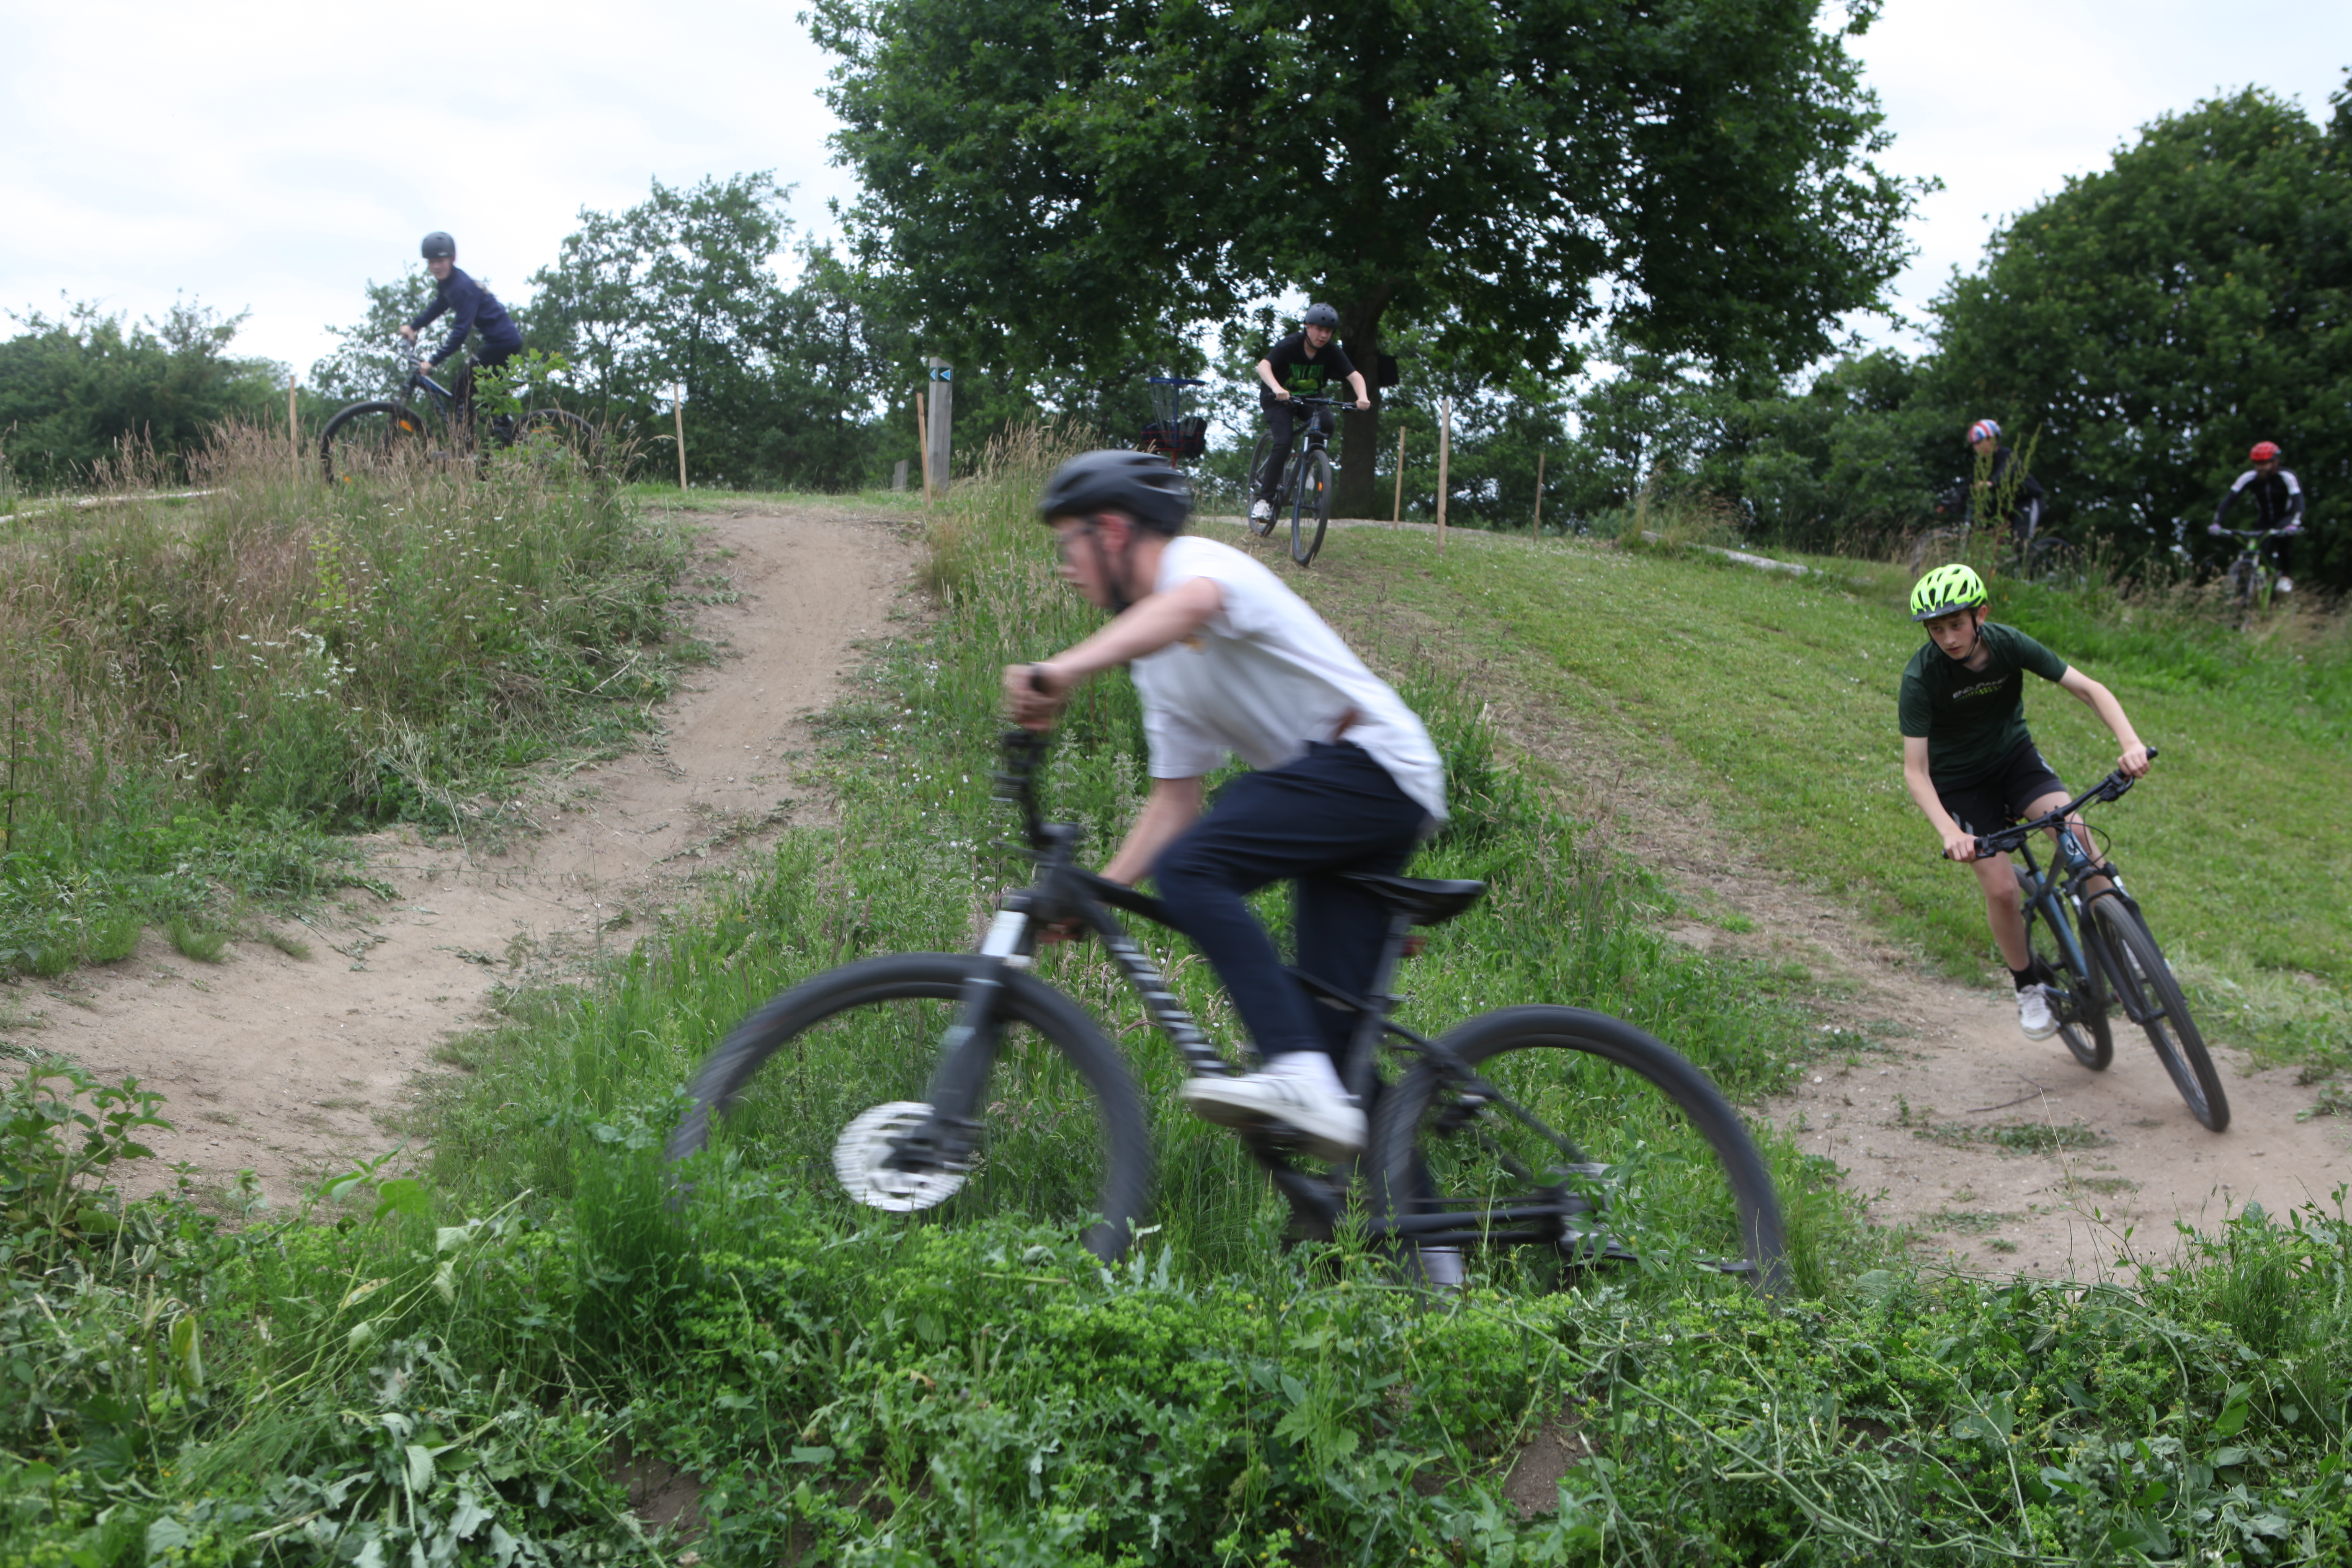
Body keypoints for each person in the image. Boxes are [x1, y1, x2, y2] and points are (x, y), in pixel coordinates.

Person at [1003, 449, 1447, 1162]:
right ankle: (1434, 1255)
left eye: (1069, 542)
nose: (1065, 565)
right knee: (1341, 1058)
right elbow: (1175, 800)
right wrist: (1100, 894)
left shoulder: (1196, 565)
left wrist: (1064, 669)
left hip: (1375, 767)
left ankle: (1295, 1072)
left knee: (1194, 868)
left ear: (1112, 530)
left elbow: (1193, 606)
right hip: (1342, 801)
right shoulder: (1159, 661)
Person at [1898, 564, 2151, 1042]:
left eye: (1956, 624)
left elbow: (2089, 689)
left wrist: (2130, 742)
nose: (1948, 638)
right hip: (1960, 782)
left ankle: (2123, 934)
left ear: (1981, 616)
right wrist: (1950, 833)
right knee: (2002, 890)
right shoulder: (1922, 677)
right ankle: (2028, 985)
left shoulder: (2009, 644)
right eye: (1937, 629)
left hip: (2015, 759)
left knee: (2074, 833)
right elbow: (1916, 771)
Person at [1248, 303, 1371, 524]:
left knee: (1327, 423)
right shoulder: (1291, 344)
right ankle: (1264, 500)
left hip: (1308, 399)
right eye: (1318, 329)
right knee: (1283, 443)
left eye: (1329, 332)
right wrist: (1277, 388)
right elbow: (1263, 366)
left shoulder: (1332, 351)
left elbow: (1354, 375)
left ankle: (1310, 463)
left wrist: (1362, 397)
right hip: (1278, 399)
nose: (1323, 336)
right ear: (1307, 327)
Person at [399, 232, 524, 430]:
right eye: (432, 262)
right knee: (482, 395)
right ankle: (507, 433)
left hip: (502, 343)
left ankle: (465, 450)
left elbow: (460, 333)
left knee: (461, 389)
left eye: (441, 261)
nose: (436, 267)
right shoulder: (449, 283)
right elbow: (438, 307)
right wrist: (413, 326)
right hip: (500, 341)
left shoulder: (461, 287)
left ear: (453, 259)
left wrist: (433, 361)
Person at [2212, 441, 2305, 593]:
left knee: (2284, 539)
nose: (2260, 467)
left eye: (2264, 463)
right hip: (2264, 520)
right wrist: (2217, 523)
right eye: (2257, 463)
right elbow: (2228, 501)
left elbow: (2298, 502)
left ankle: (2287, 576)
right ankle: (2249, 592)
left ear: (2276, 462)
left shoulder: (2287, 477)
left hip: (2286, 518)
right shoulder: (2249, 477)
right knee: (2258, 550)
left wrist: (2295, 523)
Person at [1965, 419, 2045, 545]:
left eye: (1980, 442)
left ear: (1992, 440)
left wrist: (1992, 483)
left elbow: (2007, 471)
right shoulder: (1981, 465)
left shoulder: (2007, 456)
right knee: (1987, 532)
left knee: (2021, 540)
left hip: (2027, 501)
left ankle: (2031, 565)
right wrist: (1949, 503)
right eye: (1974, 444)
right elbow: (1967, 485)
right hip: (2005, 505)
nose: (1977, 447)